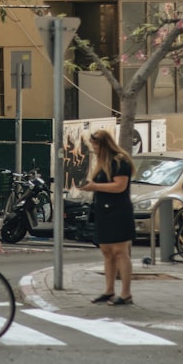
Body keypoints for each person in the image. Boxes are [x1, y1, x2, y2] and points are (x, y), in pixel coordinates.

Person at [79, 129, 136, 306]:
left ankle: (126, 293)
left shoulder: (120, 161)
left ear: (104, 145)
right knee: (107, 252)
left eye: (96, 145)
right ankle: (109, 290)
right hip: (103, 211)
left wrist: (95, 186)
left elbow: (120, 186)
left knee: (120, 252)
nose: (94, 148)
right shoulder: (102, 162)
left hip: (118, 211)